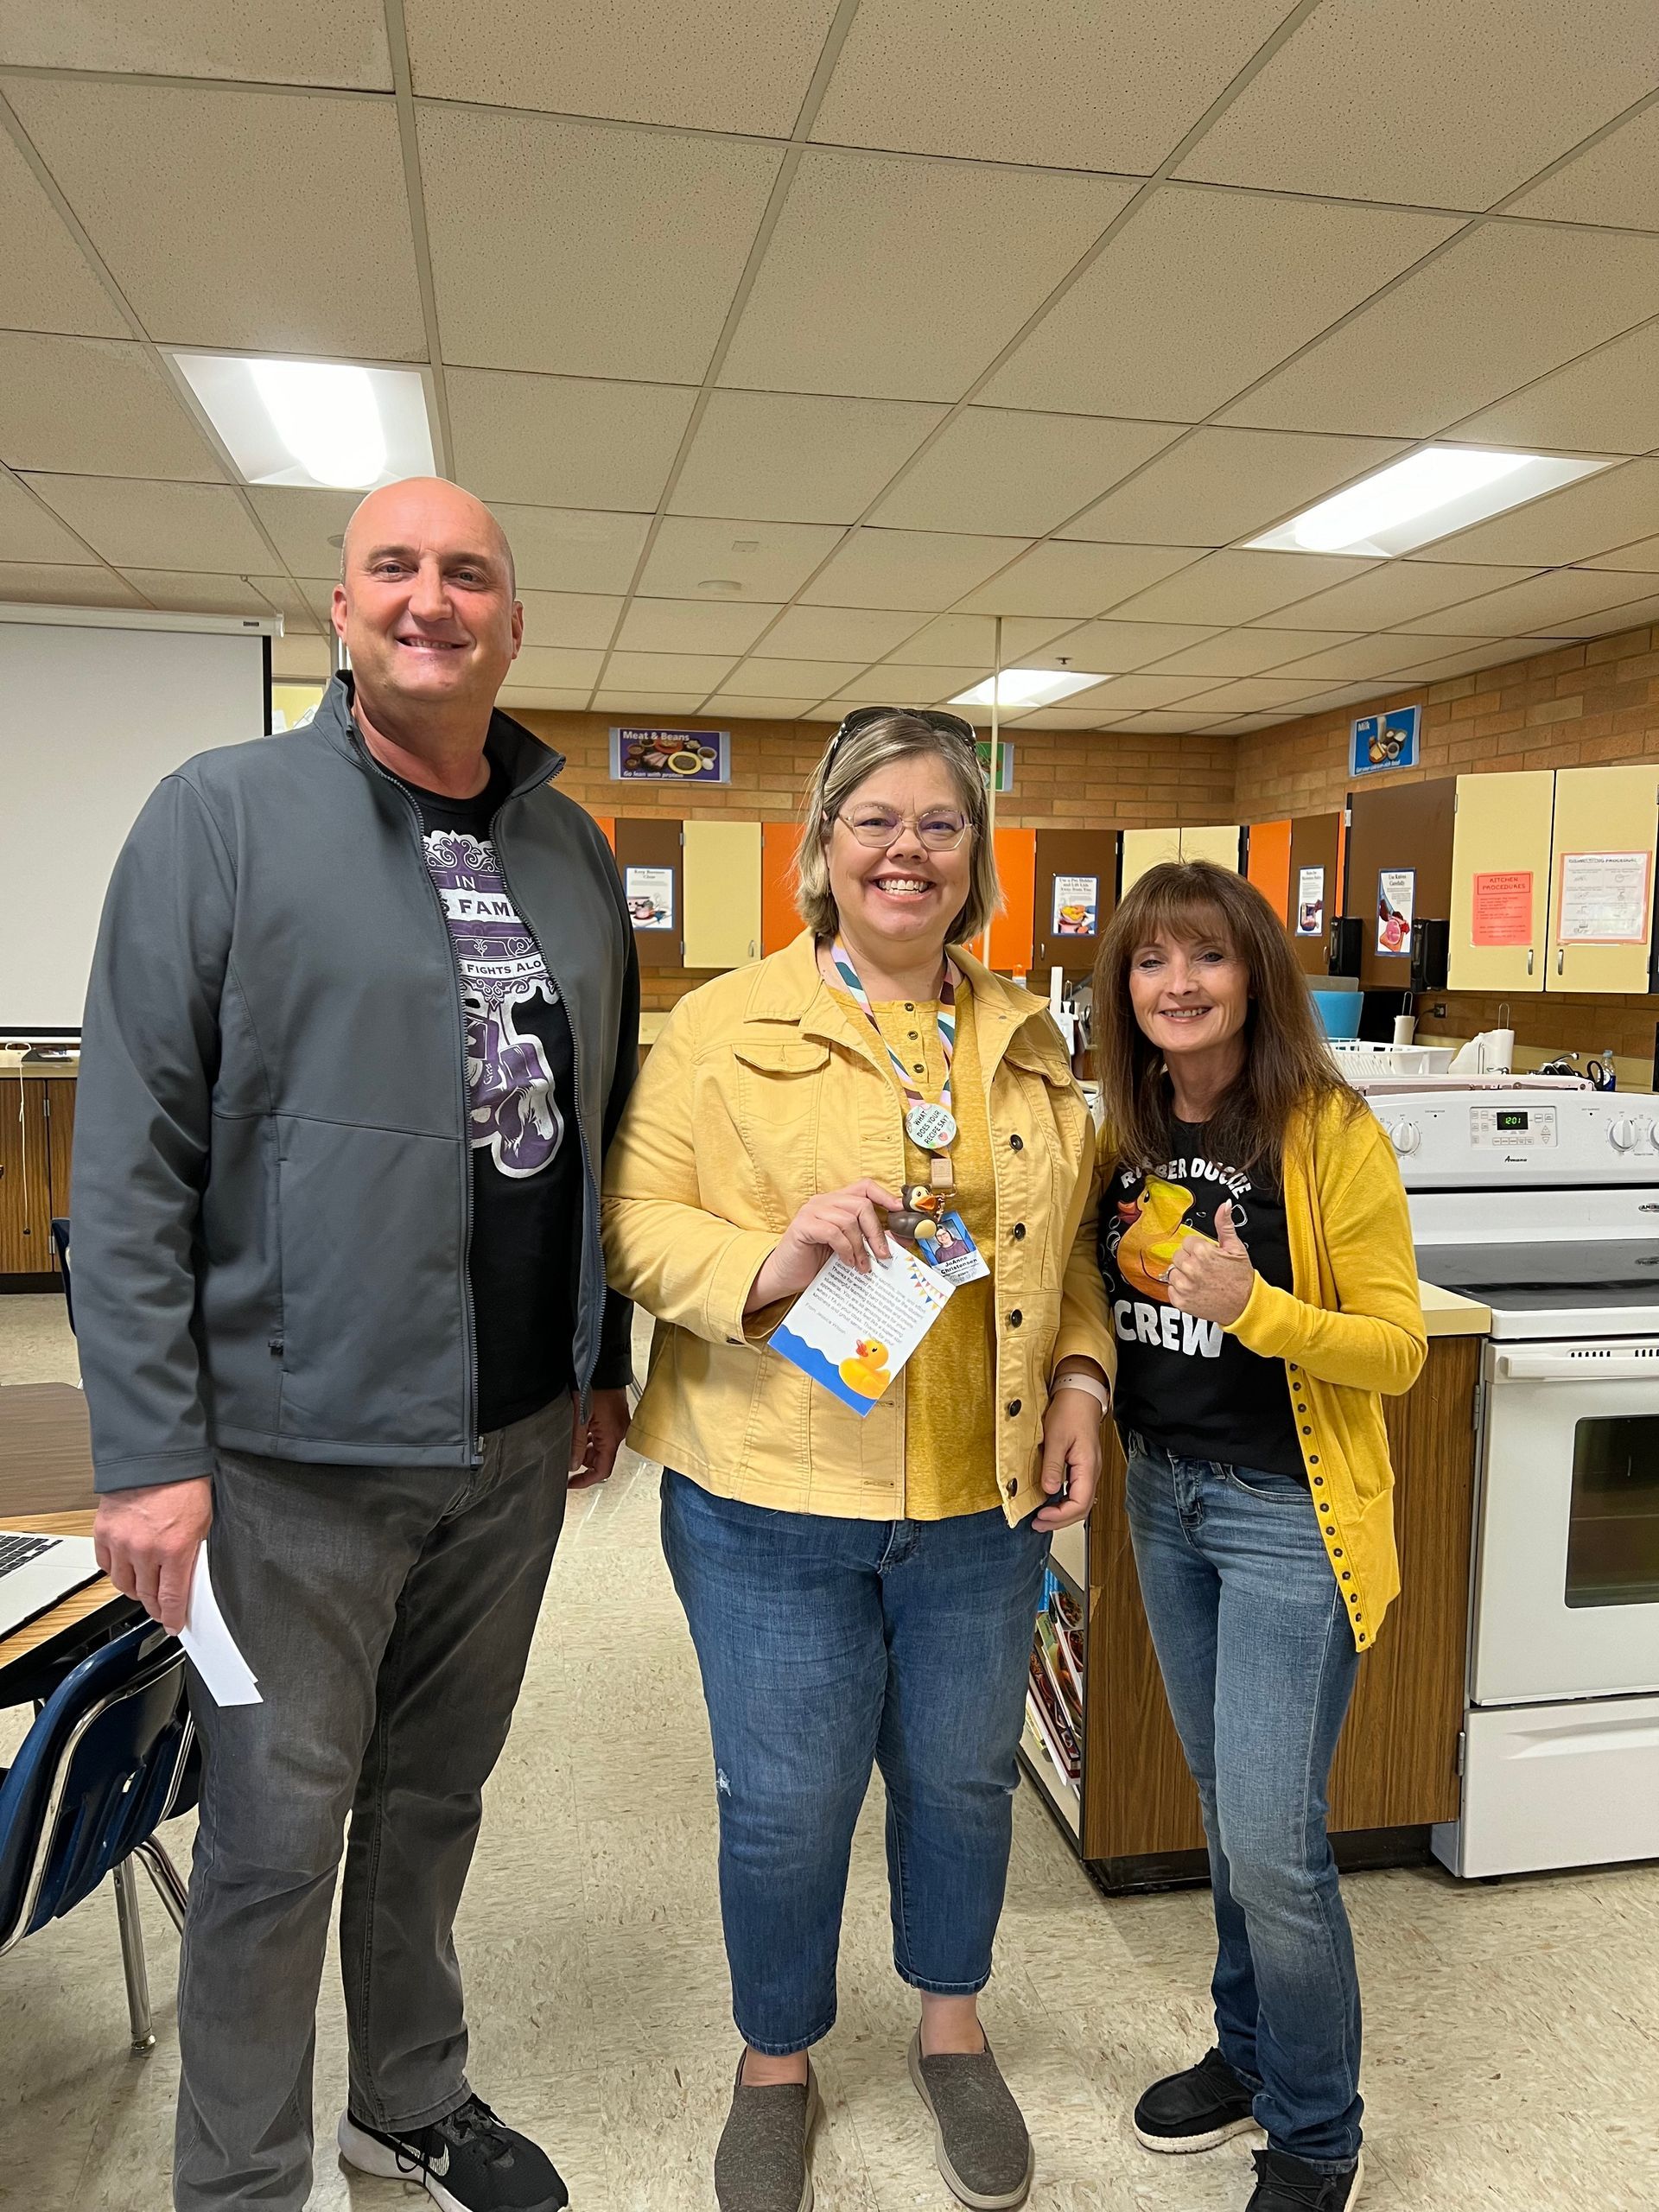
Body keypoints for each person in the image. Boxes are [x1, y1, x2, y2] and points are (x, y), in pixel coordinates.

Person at [74, 478, 639, 2212]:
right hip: (289, 1449)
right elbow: (132, 1151)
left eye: (469, 570)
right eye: (393, 566)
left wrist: (596, 1359)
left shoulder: (570, 845)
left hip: (510, 1436)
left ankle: (409, 2098)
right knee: (270, 1839)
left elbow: (594, 1121)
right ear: (339, 611)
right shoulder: (222, 816)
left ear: (514, 623)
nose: (431, 597)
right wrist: (152, 1453)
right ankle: (239, 2178)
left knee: (432, 1802)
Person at [601, 708, 1114, 2212]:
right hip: (768, 1490)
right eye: (874, 821)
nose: (907, 850)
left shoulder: (1026, 1034)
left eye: (940, 825)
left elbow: (1065, 1243)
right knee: (784, 1796)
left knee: (961, 1783)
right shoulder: (719, 1024)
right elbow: (637, 1230)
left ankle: (952, 2028)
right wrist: (780, 1246)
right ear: (821, 845)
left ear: (977, 859)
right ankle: (776, 2058)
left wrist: (1082, 1375)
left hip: (981, 1496)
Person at [1090, 861, 1426, 2212]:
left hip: (1290, 1521)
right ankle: (1245, 2051)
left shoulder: (1326, 1130)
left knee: (1277, 1841)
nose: (1179, 986)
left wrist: (1260, 1303)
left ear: (1254, 978)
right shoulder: (1122, 1123)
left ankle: (1317, 2132)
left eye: (1209, 960)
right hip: (1164, 1500)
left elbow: (1398, 1351)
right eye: (1153, 962)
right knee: (1231, 1823)